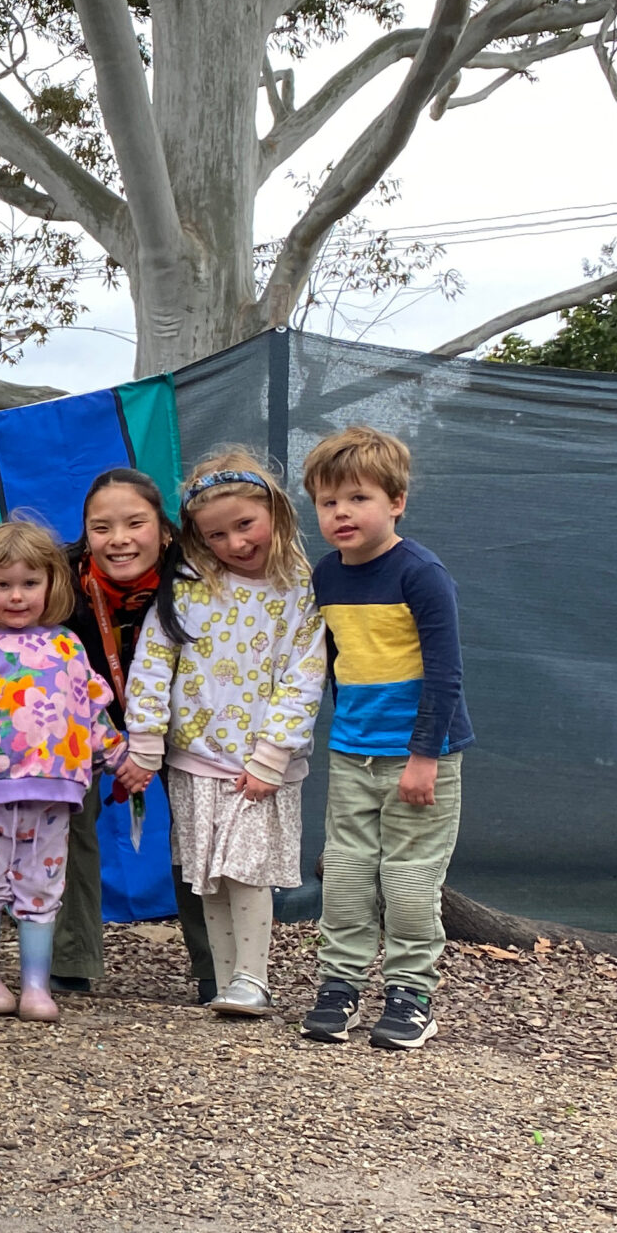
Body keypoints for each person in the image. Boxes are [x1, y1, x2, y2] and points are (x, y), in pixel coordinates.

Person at [122, 450, 325, 1020]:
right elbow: (154, 662)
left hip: (257, 765)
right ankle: (226, 980)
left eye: (245, 525)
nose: (235, 543)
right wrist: (146, 741)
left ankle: (253, 979)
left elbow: (304, 677)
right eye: (216, 534)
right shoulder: (189, 585)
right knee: (208, 876)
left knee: (245, 868)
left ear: (275, 514)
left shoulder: (301, 590)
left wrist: (271, 758)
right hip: (194, 758)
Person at [300, 425, 473, 1052]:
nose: (342, 513)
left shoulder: (421, 574)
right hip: (353, 753)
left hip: (419, 759)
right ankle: (339, 986)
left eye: (358, 498)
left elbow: (446, 672)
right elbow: (330, 665)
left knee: (407, 881)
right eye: (327, 502)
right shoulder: (326, 576)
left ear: (395, 501)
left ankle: (410, 995)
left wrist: (425, 756)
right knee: (346, 875)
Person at [0, 517, 124, 1024]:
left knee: (42, 887)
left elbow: (90, 712)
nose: (16, 596)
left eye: (29, 583)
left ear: (50, 585)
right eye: (3, 584)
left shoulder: (67, 646)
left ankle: (36, 984)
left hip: (53, 792)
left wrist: (119, 757)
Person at [50, 470, 219, 1002]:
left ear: (164, 531)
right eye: (102, 527)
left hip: (180, 720)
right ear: (85, 534)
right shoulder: (59, 581)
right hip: (82, 721)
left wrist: (148, 743)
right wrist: (110, 740)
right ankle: (67, 957)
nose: (118, 538)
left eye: (135, 523)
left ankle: (218, 965)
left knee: (196, 823)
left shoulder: (199, 580)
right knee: (66, 816)